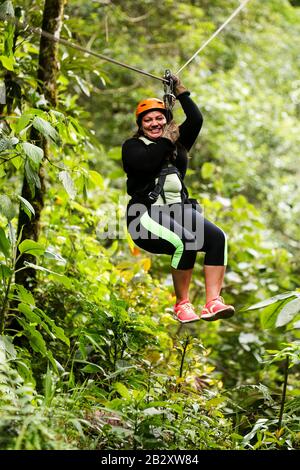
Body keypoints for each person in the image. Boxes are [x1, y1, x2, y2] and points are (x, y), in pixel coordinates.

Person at [122, 75, 235, 323]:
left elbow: (196, 119)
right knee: (186, 241)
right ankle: (182, 304)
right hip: (144, 216)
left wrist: (181, 91)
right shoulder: (132, 147)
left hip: (178, 211)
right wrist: (167, 137)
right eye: (148, 120)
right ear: (140, 126)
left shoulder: (177, 142)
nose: (154, 123)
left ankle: (213, 302)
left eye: (159, 118)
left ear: (167, 119)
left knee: (217, 238)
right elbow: (148, 163)